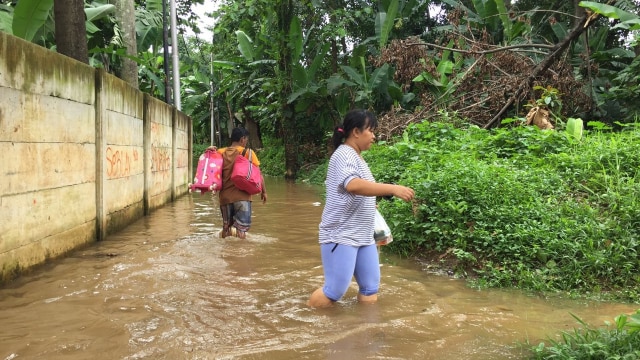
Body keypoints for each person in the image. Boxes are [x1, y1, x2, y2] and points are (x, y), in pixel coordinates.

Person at [307, 109, 415, 308]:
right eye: (371, 130)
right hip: (341, 234)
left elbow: (357, 191)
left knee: (370, 287)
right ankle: (305, 323)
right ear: (356, 132)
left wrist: (371, 202)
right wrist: (392, 189)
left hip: (362, 235)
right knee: (335, 291)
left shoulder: (357, 157)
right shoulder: (343, 154)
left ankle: (366, 331)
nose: (374, 136)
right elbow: (353, 185)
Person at [208, 127, 267, 239]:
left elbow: (208, 165)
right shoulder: (248, 152)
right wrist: (264, 192)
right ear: (242, 139)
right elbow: (258, 174)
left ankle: (226, 253)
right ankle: (241, 254)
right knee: (241, 230)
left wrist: (209, 150)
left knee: (226, 228)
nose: (246, 141)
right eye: (246, 139)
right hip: (242, 198)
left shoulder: (220, 152)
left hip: (224, 198)